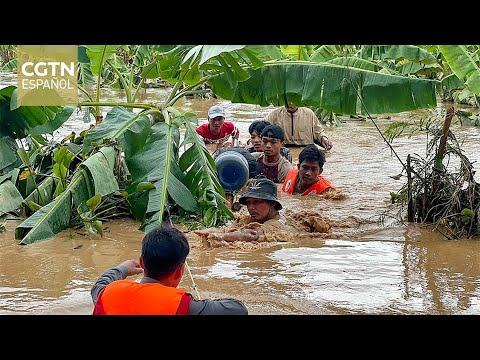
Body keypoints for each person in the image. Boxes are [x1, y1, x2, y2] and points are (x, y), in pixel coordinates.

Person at [91, 225, 248, 315]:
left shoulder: (108, 293)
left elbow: (101, 284)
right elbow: (239, 309)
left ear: (141, 262)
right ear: (180, 270)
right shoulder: (183, 304)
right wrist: (202, 303)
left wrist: (123, 268)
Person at [194, 176, 289, 243]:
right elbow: (231, 229)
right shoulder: (249, 219)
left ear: (272, 203)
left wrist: (220, 236)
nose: (251, 207)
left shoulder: (276, 224)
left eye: (257, 202)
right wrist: (212, 231)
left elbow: (253, 235)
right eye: (248, 202)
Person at [265, 102, 333, 150]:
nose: (291, 103)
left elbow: (319, 131)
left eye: (294, 100)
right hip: (284, 150)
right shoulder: (274, 114)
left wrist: (324, 138)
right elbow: (262, 129)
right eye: (288, 99)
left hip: (307, 149)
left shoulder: (309, 113)